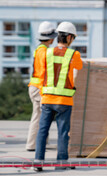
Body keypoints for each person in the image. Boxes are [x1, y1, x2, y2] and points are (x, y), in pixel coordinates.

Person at [34, 22, 83, 172]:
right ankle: (61, 162)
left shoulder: (47, 52)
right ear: (69, 37)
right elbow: (79, 66)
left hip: (47, 99)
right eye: (73, 38)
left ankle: (38, 161)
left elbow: (42, 72)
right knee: (62, 132)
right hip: (64, 100)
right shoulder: (74, 54)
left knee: (43, 130)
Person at [26, 21, 58, 151]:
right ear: (50, 38)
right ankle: (32, 145)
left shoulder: (39, 49)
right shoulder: (45, 52)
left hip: (35, 86)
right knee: (39, 117)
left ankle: (42, 141)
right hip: (38, 87)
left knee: (42, 115)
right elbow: (46, 72)